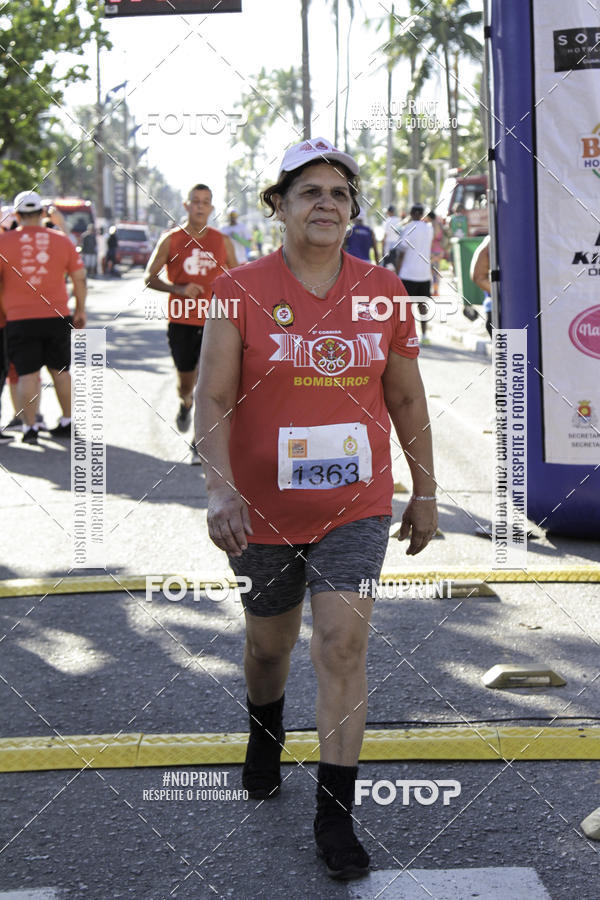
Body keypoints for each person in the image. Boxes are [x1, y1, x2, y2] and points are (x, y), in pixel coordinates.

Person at [194, 137, 437, 881]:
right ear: (280, 206)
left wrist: (425, 491)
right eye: (309, 192)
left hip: (355, 507)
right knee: (269, 649)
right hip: (261, 511)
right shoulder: (237, 289)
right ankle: (264, 730)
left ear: (352, 211)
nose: (326, 204)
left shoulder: (383, 290)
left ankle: (335, 817)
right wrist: (220, 488)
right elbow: (211, 396)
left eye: (339, 193)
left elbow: (405, 397)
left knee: (341, 646)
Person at [145, 184, 237, 463]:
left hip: (215, 321)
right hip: (181, 321)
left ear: (211, 208)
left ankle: (200, 442)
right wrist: (178, 289)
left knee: (207, 383)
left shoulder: (222, 241)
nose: (200, 206)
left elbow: (238, 278)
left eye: (206, 202)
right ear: (186, 205)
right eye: (195, 201)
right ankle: (185, 403)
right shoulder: (171, 240)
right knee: (187, 384)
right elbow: (150, 277)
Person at [0, 190, 86, 444]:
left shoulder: (4, 242)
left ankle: (30, 428)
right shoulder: (61, 240)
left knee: (27, 373)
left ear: (17, 216)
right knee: (61, 370)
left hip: (19, 318)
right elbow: (79, 277)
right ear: (41, 214)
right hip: (57, 314)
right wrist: (80, 309)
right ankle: (67, 421)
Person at [396, 203, 434, 345]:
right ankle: (424, 335)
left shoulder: (407, 228)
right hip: (424, 274)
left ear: (411, 214)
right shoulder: (429, 229)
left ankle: (405, 336)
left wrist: (397, 273)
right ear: (422, 214)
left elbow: (401, 252)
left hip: (407, 273)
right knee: (422, 306)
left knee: (405, 307)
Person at [470, 234, 492, 337]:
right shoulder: (494, 239)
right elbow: (478, 277)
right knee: (514, 345)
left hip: (508, 312)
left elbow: (478, 276)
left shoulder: (494, 238)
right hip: (506, 313)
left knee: (514, 346)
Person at [427, 210, 445, 297]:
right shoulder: (440, 224)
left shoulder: (430, 225)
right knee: (436, 272)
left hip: (432, 251)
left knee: (431, 272)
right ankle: (436, 291)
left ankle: (433, 290)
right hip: (439, 250)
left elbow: (432, 238)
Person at [380, 204, 402, 270]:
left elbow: (385, 235)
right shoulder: (399, 220)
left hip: (388, 246)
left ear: (389, 212)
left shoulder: (387, 221)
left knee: (386, 265)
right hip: (397, 244)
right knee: (395, 265)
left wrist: (382, 246)